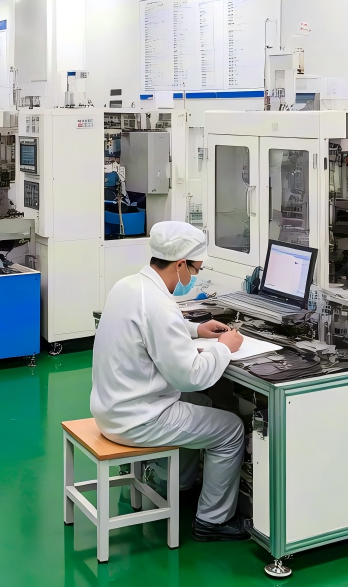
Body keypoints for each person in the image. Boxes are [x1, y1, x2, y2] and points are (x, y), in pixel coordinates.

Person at [90, 221, 249, 543]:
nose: (195, 276)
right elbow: (190, 377)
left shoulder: (129, 286)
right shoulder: (158, 304)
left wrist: (197, 330)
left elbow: (153, 327)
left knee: (202, 405)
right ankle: (212, 521)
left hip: (110, 407)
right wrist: (224, 347)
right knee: (231, 429)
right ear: (180, 264)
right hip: (137, 418)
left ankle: (182, 485)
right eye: (196, 269)